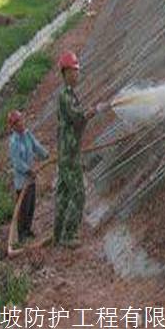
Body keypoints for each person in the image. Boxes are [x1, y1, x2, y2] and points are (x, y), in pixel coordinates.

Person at [54, 50, 103, 247]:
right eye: (74, 71)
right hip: (69, 153)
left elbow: (77, 118)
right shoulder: (65, 95)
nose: (77, 74)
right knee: (79, 194)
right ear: (65, 72)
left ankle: (58, 235)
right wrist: (89, 113)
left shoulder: (69, 94)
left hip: (68, 151)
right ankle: (69, 235)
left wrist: (87, 113)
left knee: (64, 194)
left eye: (77, 71)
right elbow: (76, 117)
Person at [8, 109, 49, 243]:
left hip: (31, 179)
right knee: (23, 208)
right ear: (13, 126)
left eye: (21, 120)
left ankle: (28, 229)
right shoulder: (14, 142)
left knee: (31, 205)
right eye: (17, 122)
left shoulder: (27, 134)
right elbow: (17, 162)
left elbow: (36, 146)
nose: (21, 123)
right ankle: (21, 234)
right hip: (22, 181)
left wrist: (46, 154)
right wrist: (28, 170)